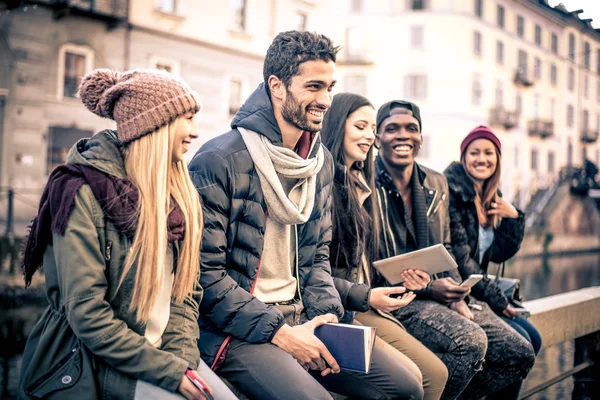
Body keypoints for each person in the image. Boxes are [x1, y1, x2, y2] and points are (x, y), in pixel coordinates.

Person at [189, 31, 423, 400]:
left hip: (304, 317)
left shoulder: (320, 161)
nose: (326, 100)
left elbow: (317, 258)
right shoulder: (218, 160)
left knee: (406, 388)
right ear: (277, 86)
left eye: (330, 87)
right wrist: (281, 333)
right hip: (237, 332)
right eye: (314, 87)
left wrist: (327, 317)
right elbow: (205, 278)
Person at [19, 68, 237, 400]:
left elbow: (184, 296)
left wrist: (178, 362)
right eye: (187, 118)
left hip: (160, 354)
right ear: (155, 124)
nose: (195, 131)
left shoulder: (178, 197)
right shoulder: (83, 195)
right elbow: (88, 316)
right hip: (94, 363)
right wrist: (169, 373)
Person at [373, 100, 536, 400]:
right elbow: (370, 265)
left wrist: (456, 295)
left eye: (411, 128)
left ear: (421, 138)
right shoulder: (367, 183)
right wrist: (433, 289)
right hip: (399, 299)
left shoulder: (435, 182)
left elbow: (447, 249)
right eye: (391, 129)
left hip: (444, 291)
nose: (403, 136)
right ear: (376, 136)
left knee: (521, 352)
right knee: (472, 343)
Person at [321, 92, 448, 400]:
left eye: (372, 128)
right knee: (421, 379)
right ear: (338, 127)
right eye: (361, 126)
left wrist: (412, 281)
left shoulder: (362, 185)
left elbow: (369, 261)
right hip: (343, 306)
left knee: (433, 374)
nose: (370, 135)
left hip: (365, 299)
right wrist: (369, 295)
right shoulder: (326, 185)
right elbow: (318, 269)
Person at [443, 126, 541, 397]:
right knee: (521, 347)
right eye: (474, 152)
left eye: (488, 153)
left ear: (497, 158)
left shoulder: (489, 197)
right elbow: (461, 258)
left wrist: (513, 218)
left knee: (534, 339)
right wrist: (499, 300)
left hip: (480, 293)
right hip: (461, 293)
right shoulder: (453, 191)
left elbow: (499, 253)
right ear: (464, 157)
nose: (481, 159)